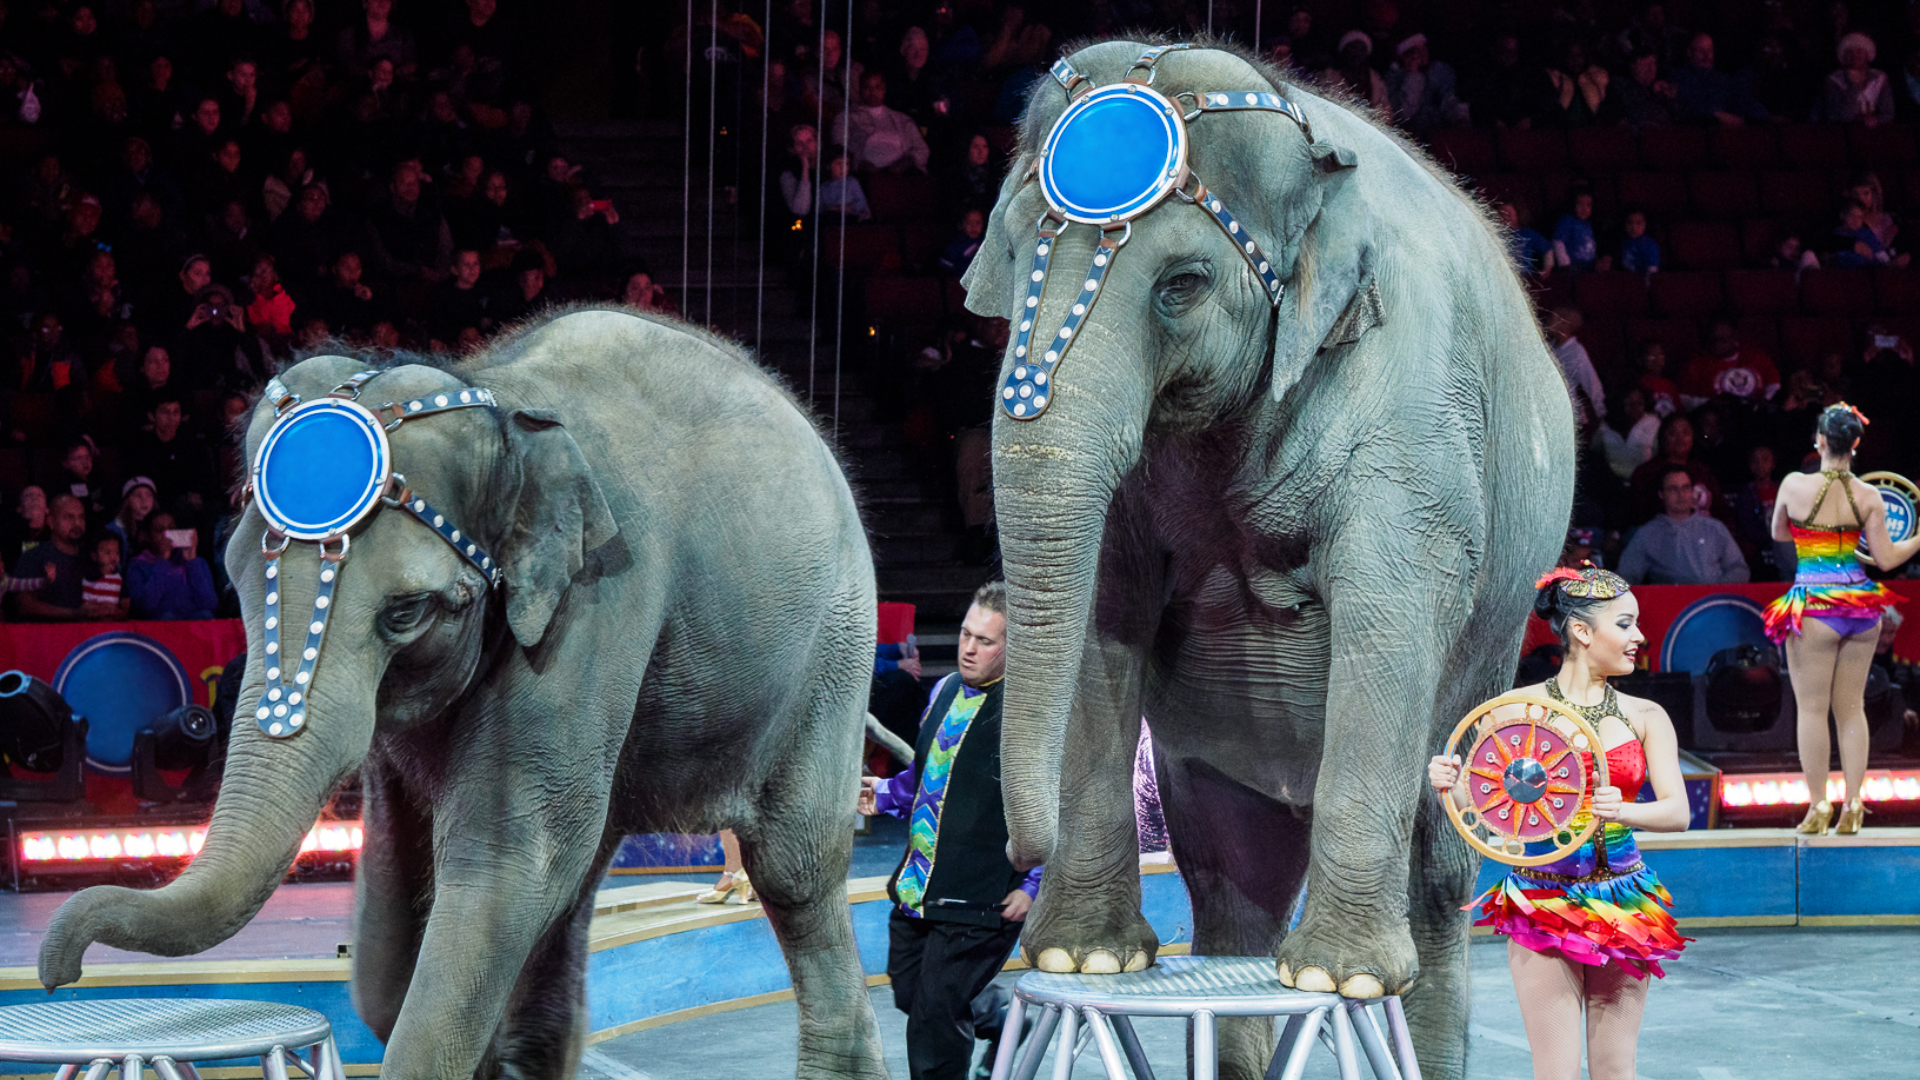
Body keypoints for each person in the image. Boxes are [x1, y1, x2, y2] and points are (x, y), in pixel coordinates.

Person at [1430, 565, 1692, 1080]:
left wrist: (1625, 811)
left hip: (1623, 905)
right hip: (1542, 901)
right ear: (1581, 632)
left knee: (1616, 1069)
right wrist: (1450, 784)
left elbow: (1678, 812)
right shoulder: (1517, 712)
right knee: (1556, 1073)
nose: (1639, 636)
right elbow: (1484, 810)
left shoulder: (1646, 716)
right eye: (1625, 624)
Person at [857, 582, 1037, 1080]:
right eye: (965, 634)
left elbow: (1053, 805)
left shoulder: (1024, 715)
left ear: (1012, 648)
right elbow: (926, 775)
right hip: (921, 886)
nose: (969, 647)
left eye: (986, 641)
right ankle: (997, 1016)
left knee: (934, 1017)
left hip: (981, 897)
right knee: (911, 992)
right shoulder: (944, 690)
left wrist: (1033, 884)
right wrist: (886, 794)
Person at [1765, 405, 1920, 836]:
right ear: (1855, 443)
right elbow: (1887, 559)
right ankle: (1854, 802)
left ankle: (1819, 806)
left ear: (1819, 441)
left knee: (1812, 709)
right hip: (1860, 606)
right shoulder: (1869, 496)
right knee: (1851, 709)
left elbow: (1779, 533)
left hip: (1814, 603)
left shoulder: (1795, 485)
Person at [1618, 465, 1750, 585]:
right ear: (1661, 494)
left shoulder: (1715, 528)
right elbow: (1625, 575)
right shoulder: (1648, 534)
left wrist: (1716, 592)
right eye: (1673, 489)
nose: (1681, 494)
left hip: (1713, 605)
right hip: (1670, 606)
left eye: (1685, 488)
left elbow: (1739, 569)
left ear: (1692, 491)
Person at [18, 494, 114, 621]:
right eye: (69, 517)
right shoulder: (34, 557)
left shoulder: (93, 556)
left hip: (92, 637)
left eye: (81, 517)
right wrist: (73, 613)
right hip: (47, 636)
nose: (77, 523)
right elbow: (25, 605)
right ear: (51, 522)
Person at [125, 512, 217, 620]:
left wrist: (192, 562)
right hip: (159, 627)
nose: (167, 534)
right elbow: (145, 607)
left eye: (171, 528)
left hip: (193, 626)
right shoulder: (137, 565)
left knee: (206, 616)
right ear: (148, 536)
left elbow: (210, 604)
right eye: (160, 531)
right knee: (167, 617)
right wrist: (162, 561)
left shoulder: (198, 562)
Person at [1825, 32, 1894, 126]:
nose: (1855, 56)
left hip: (1874, 132)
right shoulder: (1834, 81)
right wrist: (1853, 86)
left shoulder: (1880, 78)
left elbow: (1888, 113)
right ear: (1843, 56)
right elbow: (1842, 117)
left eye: (1859, 51)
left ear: (1867, 54)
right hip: (1844, 133)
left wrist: (1876, 120)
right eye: (1849, 52)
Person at [81, 531, 127, 618]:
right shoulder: (86, 577)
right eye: (108, 553)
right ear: (94, 556)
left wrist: (116, 611)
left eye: (116, 552)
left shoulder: (120, 580)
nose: (113, 557)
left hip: (111, 626)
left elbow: (125, 610)